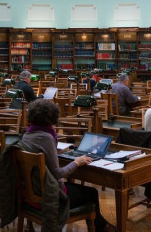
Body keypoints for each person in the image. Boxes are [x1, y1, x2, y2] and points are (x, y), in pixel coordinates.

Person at [22, 99, 114, 232]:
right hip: (49, 195)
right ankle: (101, 227)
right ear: (52, 117)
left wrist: (55, 152)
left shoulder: (28, 134)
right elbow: (58, 174)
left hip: (32, 192)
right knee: (92, 193)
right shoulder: (46, 137)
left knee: (82, 190)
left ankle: (103, 225)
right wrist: (77, 162)